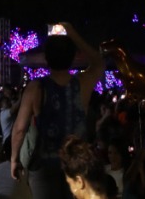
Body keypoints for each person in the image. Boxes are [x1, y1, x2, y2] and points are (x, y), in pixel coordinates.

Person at [10, 23, 103, 199]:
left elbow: (19, 129)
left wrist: (15, 159)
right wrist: (71, 31)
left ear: (46, 57)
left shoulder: (36, 88)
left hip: (45, 166)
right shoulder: (82, 83)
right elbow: (98, 61)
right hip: (76, 165)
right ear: (73, 56)